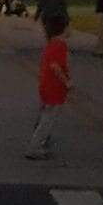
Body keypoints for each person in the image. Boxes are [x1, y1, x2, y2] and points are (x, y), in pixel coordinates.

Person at [26, 15, 71, 160]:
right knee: (48, 118)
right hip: (54, 87)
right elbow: (55, 66)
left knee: (44, 115)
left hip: (46, 85)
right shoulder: (60, 45)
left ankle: (40, 142)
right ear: (63, 29)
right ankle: (35, 146)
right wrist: (66, 82)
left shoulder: (52, 43)